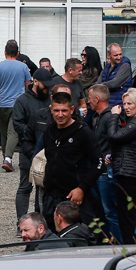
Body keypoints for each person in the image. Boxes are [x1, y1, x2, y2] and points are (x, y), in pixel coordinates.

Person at [37, 92, 104, 231]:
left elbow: (99, 162)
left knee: (82, 237)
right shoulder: (49, 131)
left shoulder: (83, 132)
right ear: (51, 110)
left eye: (64, 111)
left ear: (72, 110)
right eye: (56, 110)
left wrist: (82, 188)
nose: (60, 115)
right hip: (52, 196)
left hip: (75, 197)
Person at [106, 88, 136, 244]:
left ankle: (133, 249)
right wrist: (113, 156)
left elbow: (114, 136)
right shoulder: (134, 122)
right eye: (124, 103)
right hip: (125, 173)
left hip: (130, 176)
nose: (126, 107)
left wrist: (113, 116)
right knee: (125, 216)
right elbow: (126, 145)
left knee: (128, 217)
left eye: (130, 103)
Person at [11, 68, 54, 219]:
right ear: (35, 81)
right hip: (28, 150)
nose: (47, 89)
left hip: (48, 151)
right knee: (25, 187)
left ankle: (40, 220)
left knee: (43, 188)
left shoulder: (50, 99)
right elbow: (18, 124)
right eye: (45, 85)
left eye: (49, 86)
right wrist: (35, 132)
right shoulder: (22, 101)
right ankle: (21, 222)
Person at [0, 40, 32, 172]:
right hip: (18, 103)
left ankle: (6, 158)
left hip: (2, 104)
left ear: (5, 52)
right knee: (14, 132)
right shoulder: (23, 67)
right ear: (17, 53)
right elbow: (28, 85)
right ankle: (8, 158)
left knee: (4, 131)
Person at [89, 83, 122, 243]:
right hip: (98, 171)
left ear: (97, 99)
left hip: (106, 172)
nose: (88, 102)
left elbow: (115, 141)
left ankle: (119, 245)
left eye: (90, 98)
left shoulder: (109, 118)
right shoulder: (97, 117)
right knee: (102, 211)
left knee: (110, 212)